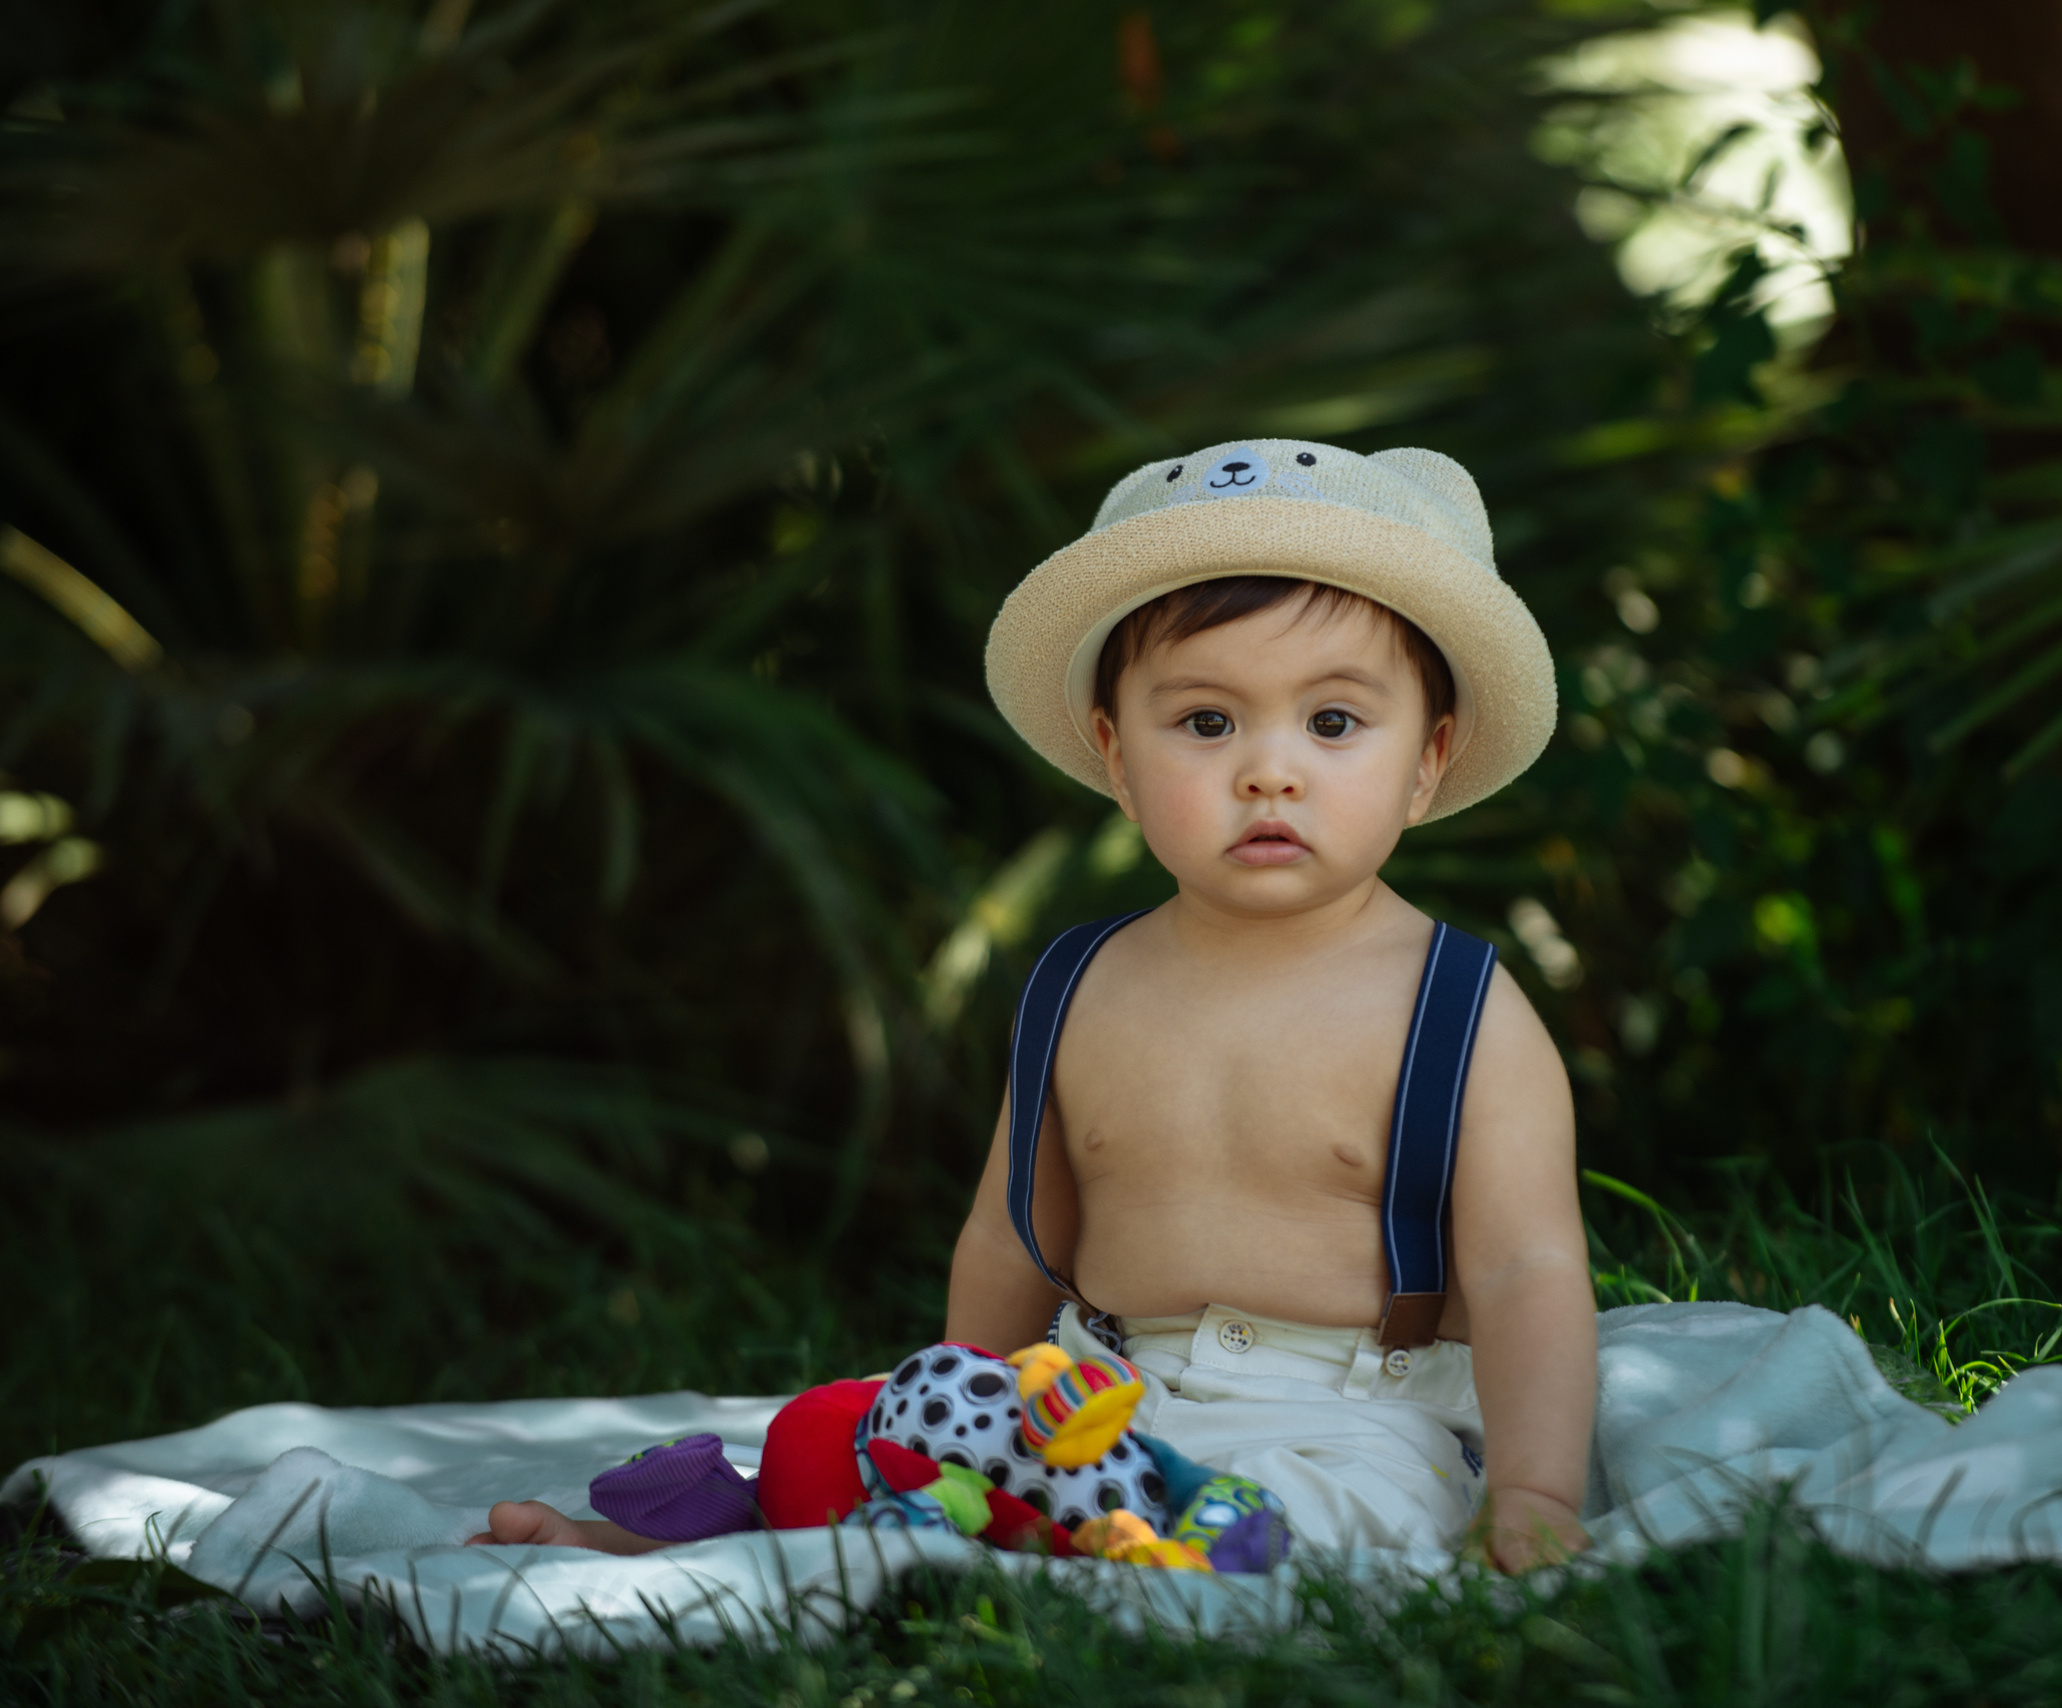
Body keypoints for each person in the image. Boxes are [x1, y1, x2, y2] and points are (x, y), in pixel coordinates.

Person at [477, 439, 1593, 1571]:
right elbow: (1012, 1235)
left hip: (1350, 1414)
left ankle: (1061, 1537)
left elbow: (1524, 1274)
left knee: (1308, 1523)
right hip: (1097, 1389)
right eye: (1206, 723)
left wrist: (1536, 1487)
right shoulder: (1081, 982)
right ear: (1114, 754)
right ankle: (794, 1525)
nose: (1269, 770)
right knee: (858, 1440)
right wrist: (946, 1417)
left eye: (1333, 723)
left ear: (1428, 759)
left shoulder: (1459, 1007)